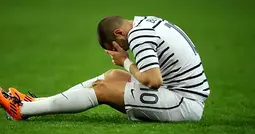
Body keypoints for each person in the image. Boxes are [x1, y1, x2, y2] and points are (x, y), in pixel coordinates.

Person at [0, 16, 210, 122]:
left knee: (103, 90)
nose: (119, 50)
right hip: (179, 94)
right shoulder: (146, 22)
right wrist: (124, 65)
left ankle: (22, 110)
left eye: (116, 47)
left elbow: (153, 81)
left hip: (185, 103)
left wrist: (125, 61)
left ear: (119, 32)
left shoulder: (138, 35)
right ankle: (34, 102)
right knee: (110, 77)